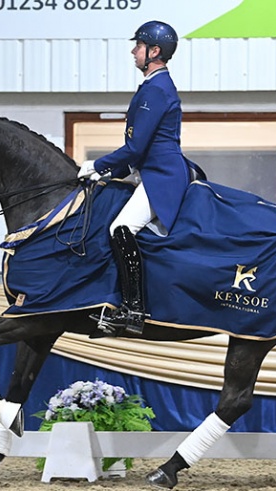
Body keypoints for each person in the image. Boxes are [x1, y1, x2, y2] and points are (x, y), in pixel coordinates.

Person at [78, 20, 191, 336]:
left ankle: (133, 310)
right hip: (149, 170)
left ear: (154, 51)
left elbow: (136, 146)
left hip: (161, 177)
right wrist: (109, 174)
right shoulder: (153, 86)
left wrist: (97, 165)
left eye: (138, 46)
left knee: (120, 228)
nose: (133, 51)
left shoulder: (156, 89)